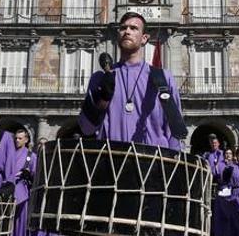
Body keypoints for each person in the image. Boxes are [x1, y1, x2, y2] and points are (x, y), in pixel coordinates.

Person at [78, 12, 185, 150]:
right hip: (112, 162)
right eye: (123, 28)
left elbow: (174, 132)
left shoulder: (163, 78)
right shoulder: (100, 78)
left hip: (154, 164)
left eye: (133, 28)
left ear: (144, 38)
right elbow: (87, 129)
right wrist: (101, 100)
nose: (127, 31)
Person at [10, 128, 35, 236]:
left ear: (26, 140)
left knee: (21, 223)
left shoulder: (31, 157)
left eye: (20, 138)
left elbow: (36, 177)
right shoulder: (9, 154)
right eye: (16, 138)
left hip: (23, 194)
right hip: (8, 192)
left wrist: (29, 175)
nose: (17, 140)